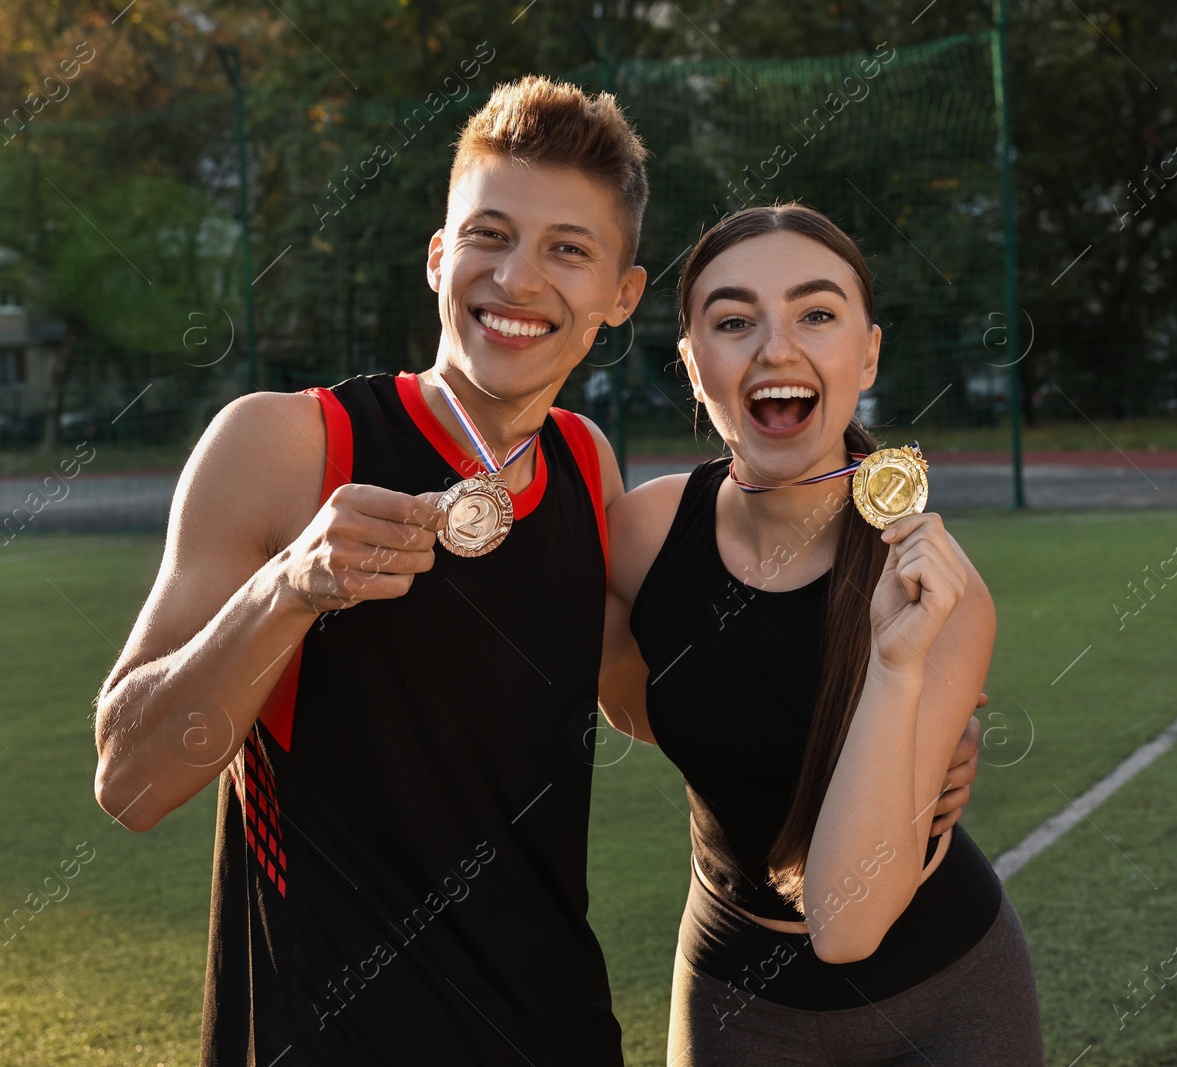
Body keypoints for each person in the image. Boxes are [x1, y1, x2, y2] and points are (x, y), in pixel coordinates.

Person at [90, 74, 979, 1065]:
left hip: (553, 1029)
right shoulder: (287, 444)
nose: (517, 279)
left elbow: (652, 697)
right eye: (489, 234)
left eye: (568, 250)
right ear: (438, 255)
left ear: (619, 297)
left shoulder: (582, 465)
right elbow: (130, 780)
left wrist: (891, 727)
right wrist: (290, 584)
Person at [600, 204, 1045, 1065]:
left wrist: (899, 671)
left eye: (816, 313)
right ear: (694, 367)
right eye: (734, 322)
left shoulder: (937, 595)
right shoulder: (643, 537)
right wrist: (755, 744)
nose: (776, 349)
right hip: (735, 997)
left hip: (947, 1000)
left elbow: (844, 925)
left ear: (867, 352)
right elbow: (628, 703)